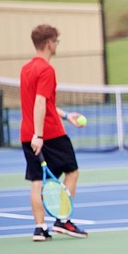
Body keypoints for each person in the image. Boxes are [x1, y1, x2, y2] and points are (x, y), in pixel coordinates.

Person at [20, 24, 88, 242]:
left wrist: (67, 116)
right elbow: (40, 102)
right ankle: (62, 219)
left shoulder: (26, 69)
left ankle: (40, 228)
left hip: (27, 134)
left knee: (37, 181)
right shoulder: (46, 70)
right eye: (56, 41)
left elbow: (43, 103)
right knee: (72, 171)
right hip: (49, 134)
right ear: (49, 43)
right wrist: (39, 135)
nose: (56, 45)